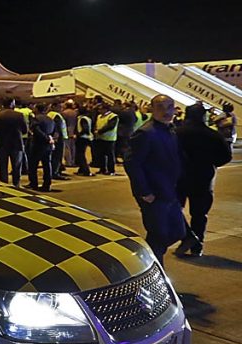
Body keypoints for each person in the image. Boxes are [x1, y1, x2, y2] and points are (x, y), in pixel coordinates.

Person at [124, 94, 187, 264]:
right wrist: (144, 191)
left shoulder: (171, 130)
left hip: (170, 192)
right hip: (154, 195)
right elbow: (132, 163)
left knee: (178, 232)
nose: (166, 111)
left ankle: (145, 257)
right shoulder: (145, 133)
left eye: (169, 107)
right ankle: (155, 276)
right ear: (152, 109)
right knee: (158, 235)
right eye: (160, 107)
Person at [174, 103, 233, 257]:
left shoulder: (177, 133)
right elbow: (226, 157)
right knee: (199, 215)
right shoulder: (212, 135)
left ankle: (187, 237)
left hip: (179, 177)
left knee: (173, 209)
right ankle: (197, 244)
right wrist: (211, 163)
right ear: (203, 116)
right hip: (203, 178)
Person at [0, 100, 28, 186]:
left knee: (3, 166)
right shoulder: (19, 115)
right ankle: (16, 184)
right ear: (12, 104)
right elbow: (25, 130)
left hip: (2, 144)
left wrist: (0, 134)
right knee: (17, 166)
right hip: (16, 144)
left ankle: (4, 184)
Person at [27, 103, 56, 191]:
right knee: (47, 164)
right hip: (48, 145)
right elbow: (54, 131)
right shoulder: (50, 119)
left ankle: (33, 183)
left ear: (37, 109)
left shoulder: (36, 119)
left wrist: (45, 138)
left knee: (33, 165)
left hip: (38, 144)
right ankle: (47, 184)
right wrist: (50, 139)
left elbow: (36, 130)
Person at [94, 101, 119, 175]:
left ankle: (111, 170)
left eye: (101, 109)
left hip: (109, 138)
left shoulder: (113, 116)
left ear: (106, 109)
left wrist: (100, 131)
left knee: (110, 155)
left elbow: (111, 126)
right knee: (101, 154)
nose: (99, 111)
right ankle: (102, 169)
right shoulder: (99, 116)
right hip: (100, 138)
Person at [47, 102, 69, 179]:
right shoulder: (56, 115)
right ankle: (55, 172)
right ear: (54, 106)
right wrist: (57, 137)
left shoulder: (49, 114)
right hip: (59, 138)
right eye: (59, 106)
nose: (61, 108)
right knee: (58, 155)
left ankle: (57, 170)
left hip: (52, 137)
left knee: (54, 156)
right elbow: (58, 127)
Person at [74, 104, 95, 176]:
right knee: (81, 154)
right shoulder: (88, 118)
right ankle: (81, 169)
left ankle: (86, 170)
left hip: (83, 138)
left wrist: (78, 135)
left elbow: (85, 129)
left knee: (81, 155)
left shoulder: (82, 119)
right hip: (87, 137)